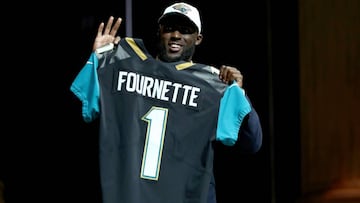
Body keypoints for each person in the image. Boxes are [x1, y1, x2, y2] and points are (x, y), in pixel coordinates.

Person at [71, 2, 262, 203]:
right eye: (169, 28)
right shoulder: (124, 64)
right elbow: (84, 114)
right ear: (159, 30)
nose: (176, 35)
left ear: (198, 39)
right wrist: (100, 60)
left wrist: (239, 94)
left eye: (185, 30)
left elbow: (252, 143)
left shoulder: (214, 85)